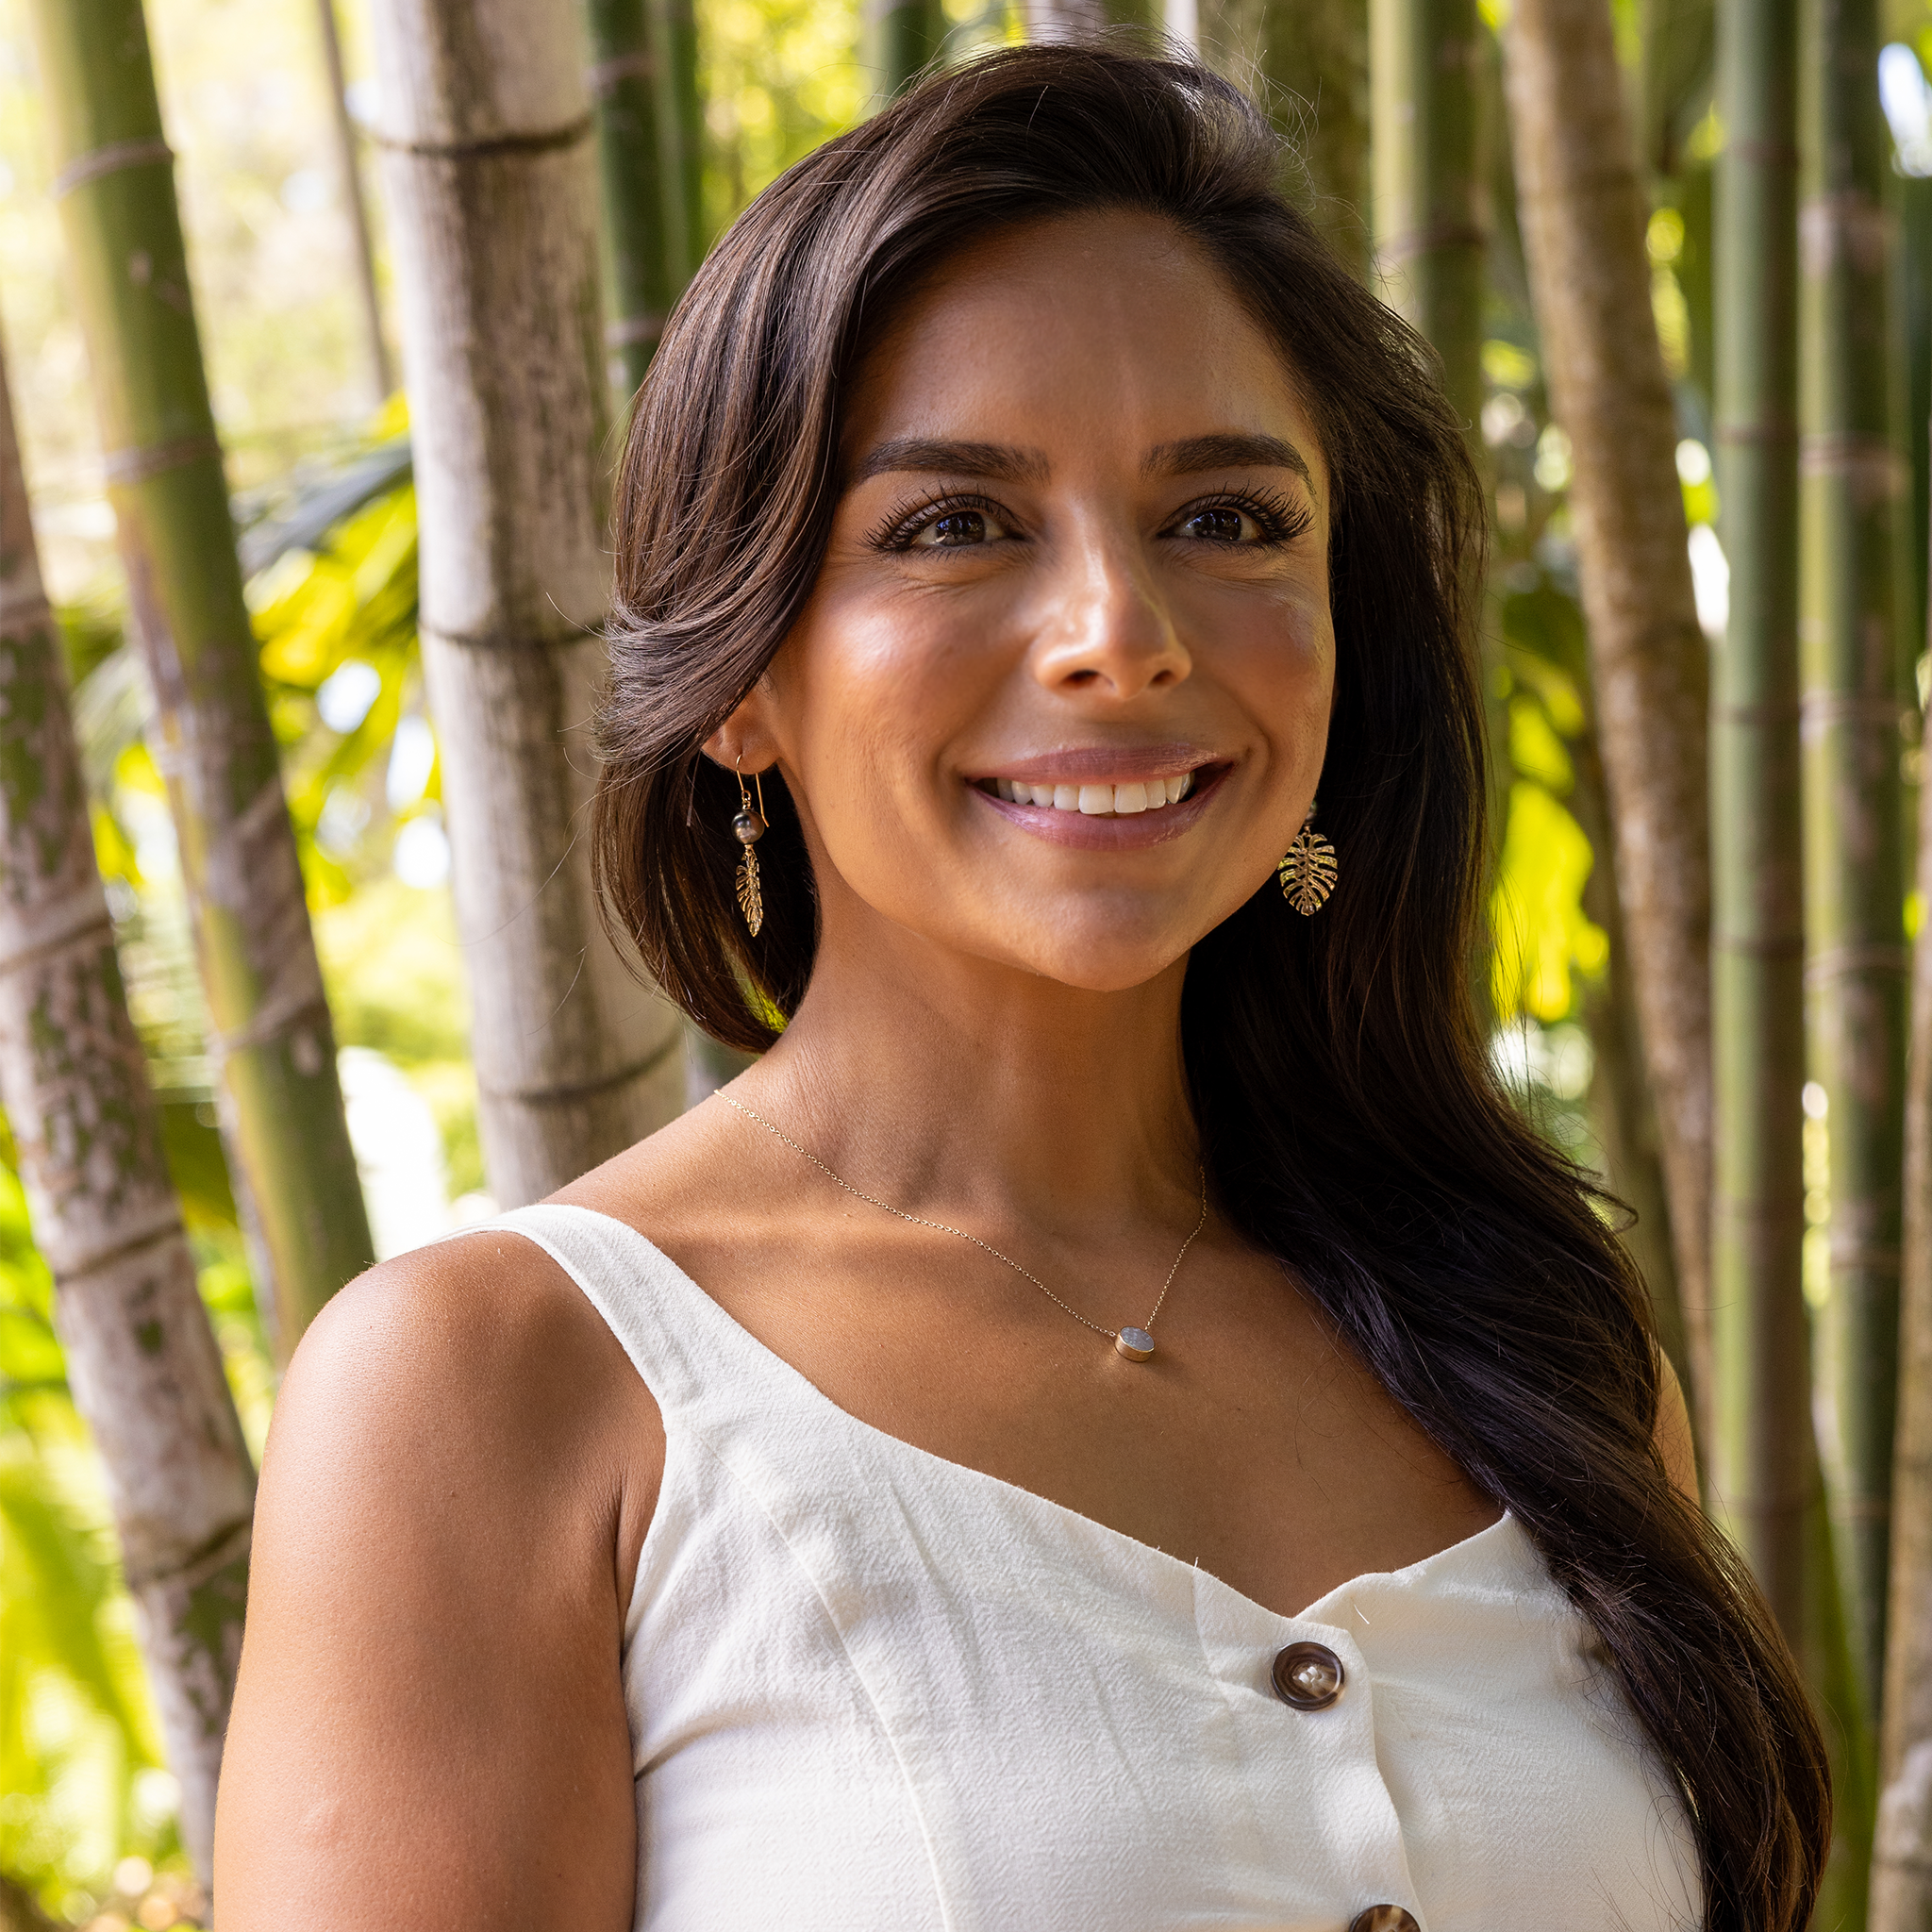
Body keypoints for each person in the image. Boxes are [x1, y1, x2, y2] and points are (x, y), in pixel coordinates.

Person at [213, 42, 1828, 1932]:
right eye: (954, 525)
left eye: (1226, 518)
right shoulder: (500, 1393)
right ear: (741, 677)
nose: (1118, 637)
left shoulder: (1542, 1345)